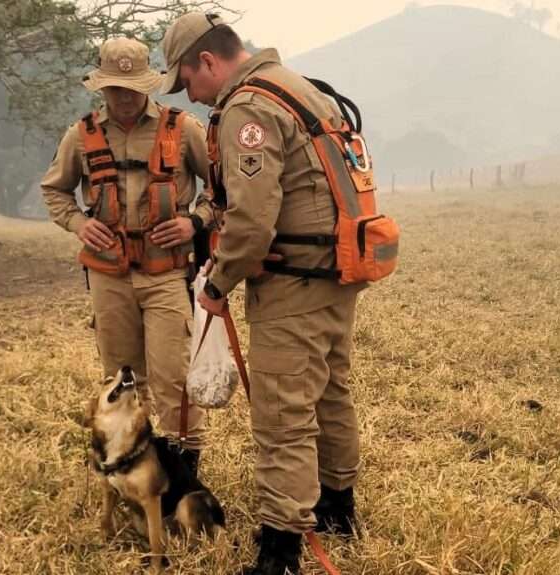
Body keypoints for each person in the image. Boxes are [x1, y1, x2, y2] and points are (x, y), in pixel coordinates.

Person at [161, 13, 367, 574]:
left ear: (208, 60)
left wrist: (218, 283)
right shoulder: (298, 86)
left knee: (282, 415)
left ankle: (280, 548)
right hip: (334, 271)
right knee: (330, 391)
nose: (193, 97)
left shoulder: (248, 105)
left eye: (188, 81)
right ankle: (338, 506)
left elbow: (252, 221)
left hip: (293, 280)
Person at [41, 37, 214, 473]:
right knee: (120, 380)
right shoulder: (80, 137)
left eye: (132, 87)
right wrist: (80, 224)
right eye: (114, 88)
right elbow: (54, 191)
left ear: (148, 86)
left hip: (166, 273)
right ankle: (126, 468)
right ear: (101, 88)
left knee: (173, 377)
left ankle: (181, 473)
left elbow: (222, 187)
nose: (123, 97)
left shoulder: (183, 128)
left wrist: (194, 223)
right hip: (109, 276)